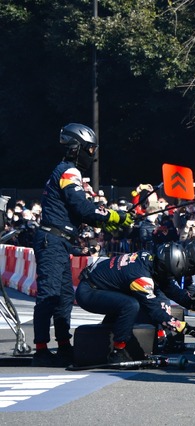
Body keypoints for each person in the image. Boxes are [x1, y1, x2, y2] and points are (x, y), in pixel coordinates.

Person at [32, 123, 134, 367]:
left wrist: (97, 223)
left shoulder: (65, 171)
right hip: (52, 241)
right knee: (49, 296)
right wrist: (113, 216)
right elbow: (82, 207)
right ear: (76, 148)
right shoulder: (69, 172)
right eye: (89, 149)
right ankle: (41, 350)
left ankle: (64, 346)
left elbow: (76, 213)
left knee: (64, 297)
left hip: (60, 241)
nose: (92, 154)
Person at [75, 243, 195, 363]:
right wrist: (186, 328)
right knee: (131, 305)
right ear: (164, 268)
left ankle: (106, 340)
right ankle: (118, 351)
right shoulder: (141, 277)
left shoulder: (149, 258)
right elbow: (155, 311)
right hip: (89, 292)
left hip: (100, 286)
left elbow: (169, 288)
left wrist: (194, 305)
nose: (169, 277)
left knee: (131, 301)